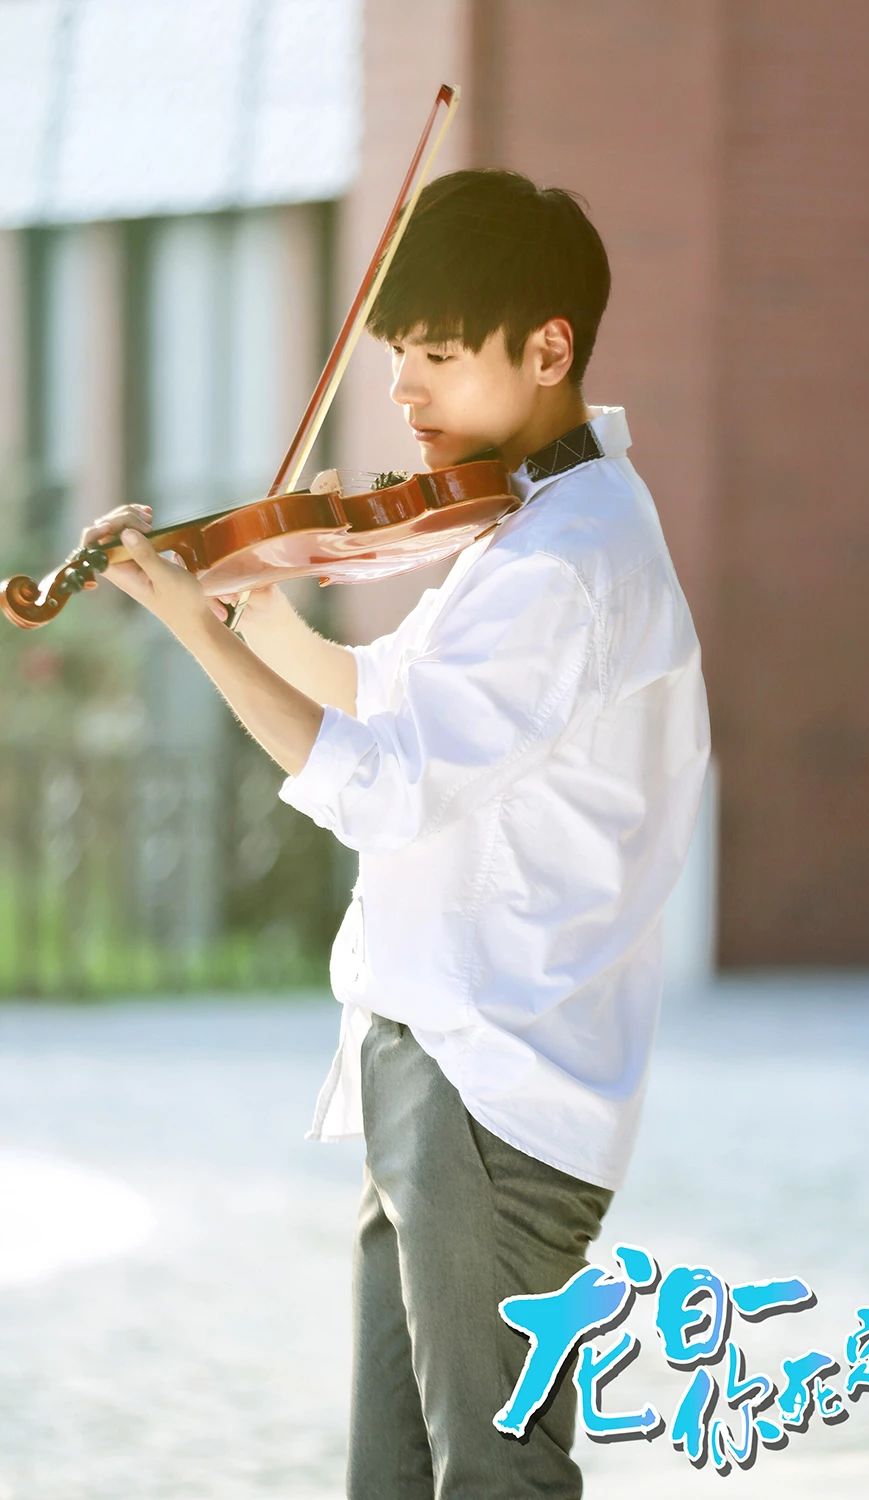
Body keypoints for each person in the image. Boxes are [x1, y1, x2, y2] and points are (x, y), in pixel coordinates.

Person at [83, 168, 711, 1498]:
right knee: (399, 1474)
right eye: (395, 354)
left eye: (437, 352)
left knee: (491, 1475)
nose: (404, 390)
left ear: (548, 349)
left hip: (492, 1077)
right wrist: (253, 613)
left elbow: (383, 785)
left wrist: (198, 633)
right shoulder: (529, 522)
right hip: (440, 1056)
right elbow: (384, 694)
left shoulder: (565, 562)